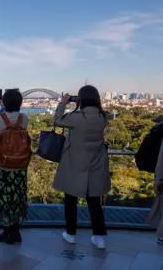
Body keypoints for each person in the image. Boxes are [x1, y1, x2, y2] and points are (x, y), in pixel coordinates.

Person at [53, 85, 111, 249]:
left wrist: (63, 103)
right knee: (94, 201)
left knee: (70, 200)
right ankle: (99, 236)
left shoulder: (77, 117)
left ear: (80, 99)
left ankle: (70, 233)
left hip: (74, 163)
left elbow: (57, 120)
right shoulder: (103, 116)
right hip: (96, 163)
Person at [0, 89, 29, 244]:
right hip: (20, 164)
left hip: (2, 164)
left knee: (4, 197)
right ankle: (15, 231)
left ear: (4, 102)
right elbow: (11, 118)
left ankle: (7, 232)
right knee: (17, 196)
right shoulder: (24, 118)